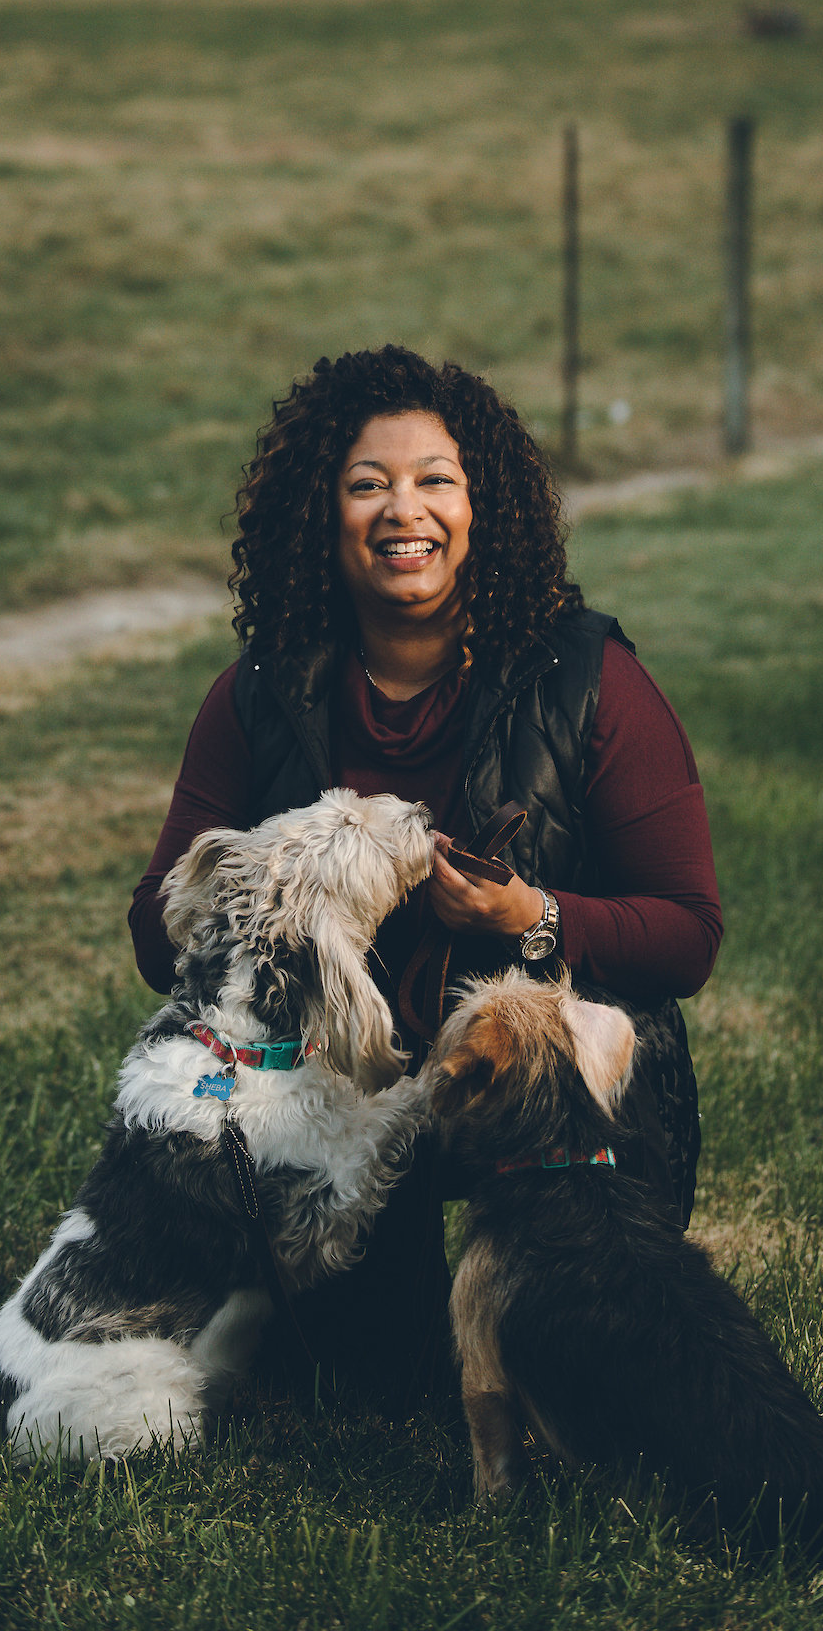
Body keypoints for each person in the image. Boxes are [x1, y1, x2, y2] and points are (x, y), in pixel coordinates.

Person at [128, 345, 722, 1413]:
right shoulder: (259, 695)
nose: (405, 510)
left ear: (481, 505)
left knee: (587, 1378)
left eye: (435, 480)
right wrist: (274, 891)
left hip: (540, 1103)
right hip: (346, 1103)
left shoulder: (587, 679)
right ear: (323, 515)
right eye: (368, 484)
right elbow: (152, 934)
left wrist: (531, 914)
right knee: (376, 1394)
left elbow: (687, 932)